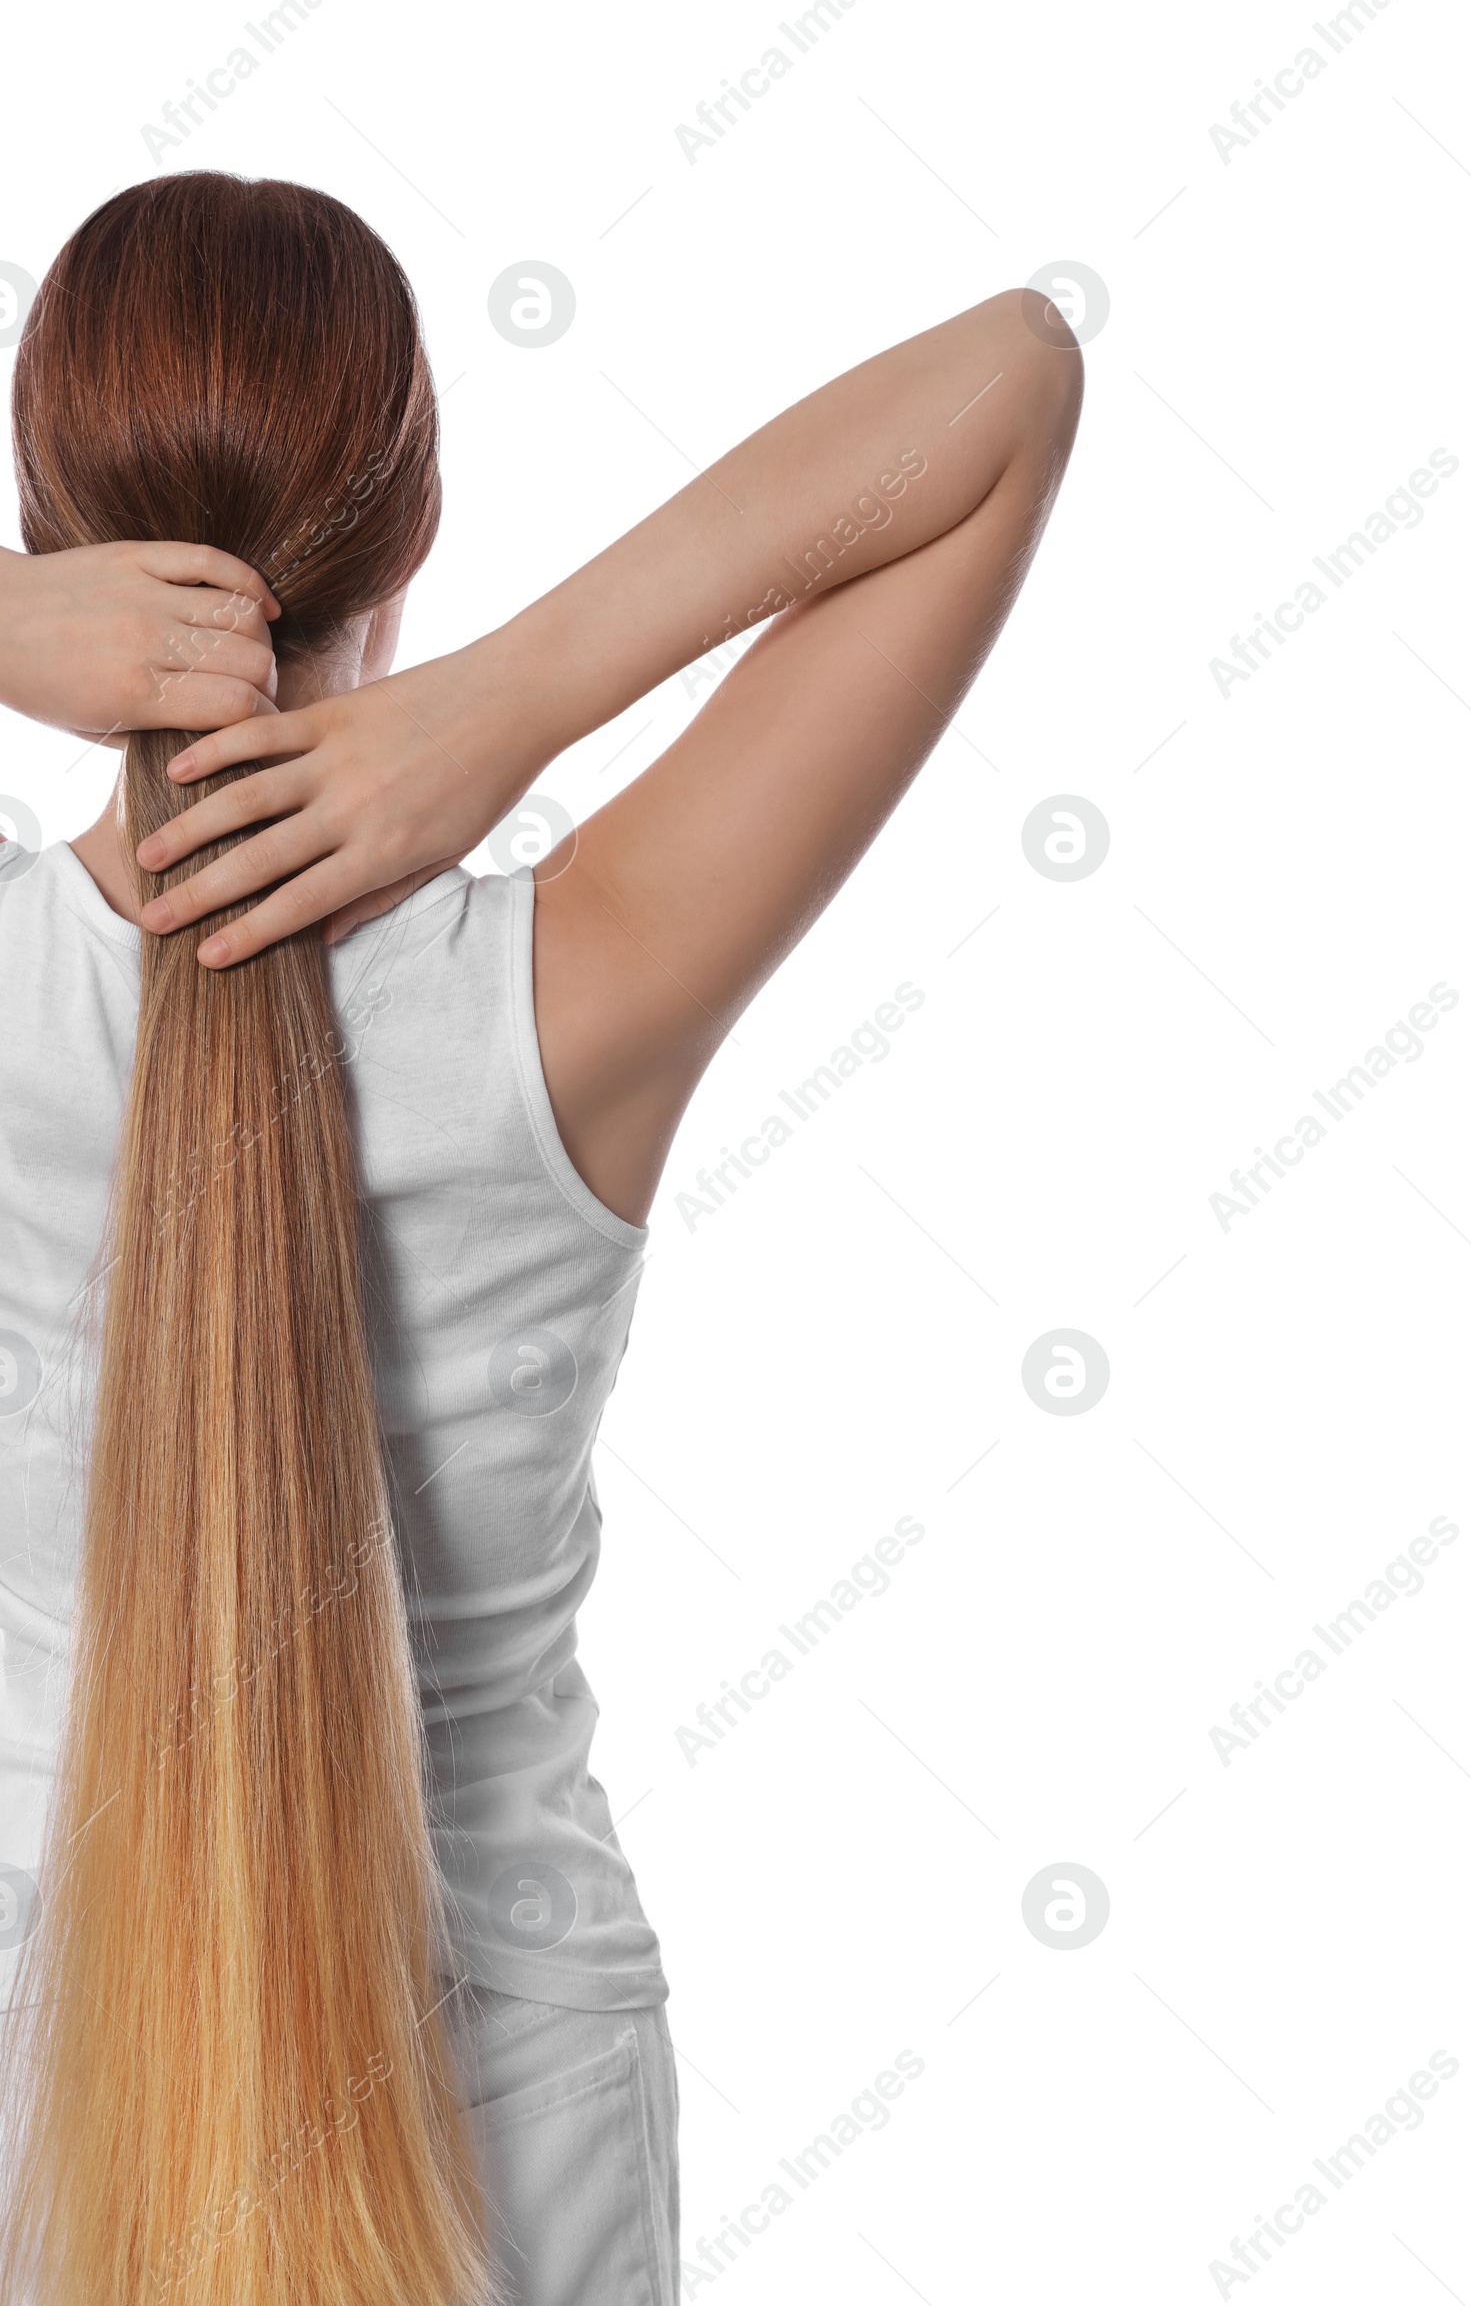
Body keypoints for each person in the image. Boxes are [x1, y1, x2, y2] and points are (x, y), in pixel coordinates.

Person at [0, 170, 1082, 2305]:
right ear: (408, 540)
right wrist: (520, 697)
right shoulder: (583, 977)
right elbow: (1011, 380)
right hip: (517, 2078)